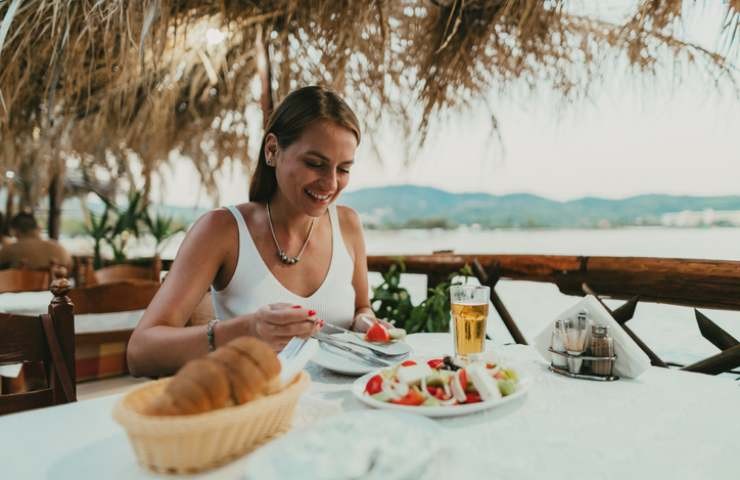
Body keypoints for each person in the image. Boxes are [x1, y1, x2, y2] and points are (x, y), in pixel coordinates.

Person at [127, 86, 380, 377]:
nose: (331, 183)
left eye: (344, 169)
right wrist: (246, 330)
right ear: (272, 150)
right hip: (254, 414)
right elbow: (140, 352)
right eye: (315, 164)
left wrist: (366, 322)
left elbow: (362, 307)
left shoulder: (348, 225)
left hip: (343, 411)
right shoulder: (221, 230)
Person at [0, 211, 72, 270]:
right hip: (57, 287)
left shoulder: (9, 250)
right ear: (37, 228)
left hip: (22, 287)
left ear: (15, 231)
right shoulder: (60, 248)